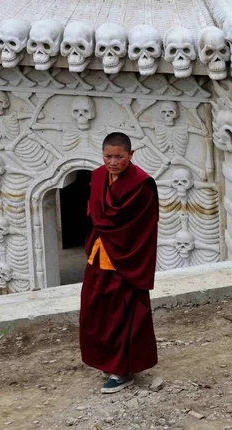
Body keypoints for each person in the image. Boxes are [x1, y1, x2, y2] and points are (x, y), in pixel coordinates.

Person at [80, 132, 159, 393]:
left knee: (121, 316)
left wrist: (126, 254)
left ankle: (123, 371)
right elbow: (94, 212)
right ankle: (107, 360)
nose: (113, 162)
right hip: (99, 255)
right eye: (108, 157)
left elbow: (141, 227)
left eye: (119, 157)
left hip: (125, 260)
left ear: (131, 155)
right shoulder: (98, 176)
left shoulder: (141, 184)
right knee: (95, 312)